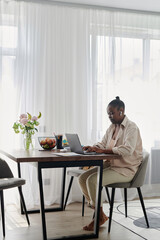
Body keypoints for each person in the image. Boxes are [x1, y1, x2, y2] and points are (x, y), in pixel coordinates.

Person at [79, 96, 143, 231]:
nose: (109, 116)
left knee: (92, 180)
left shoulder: (132, 127)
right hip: (111, 165)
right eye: (108, 113)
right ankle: (100, 213)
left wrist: (101, 150)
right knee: (82, 178)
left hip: (125, 170)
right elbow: (103, 143)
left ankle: (98, 216)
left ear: (121, 111)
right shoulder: (112, 127)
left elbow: (127, 150)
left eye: (112, 113)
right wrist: (93, 147)